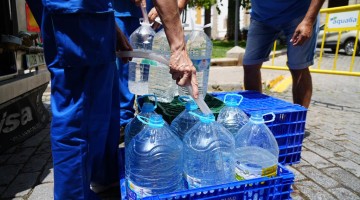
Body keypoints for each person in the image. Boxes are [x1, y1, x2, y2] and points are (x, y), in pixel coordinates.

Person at [25, 0, 197, 199]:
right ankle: (73, 195)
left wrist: (110, 27)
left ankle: (104, 177)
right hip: (76, 8)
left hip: (86, 9)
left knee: (104, 101)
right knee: (77, 107)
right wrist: (178, 48)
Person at [114, 0, 189, 129]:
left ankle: (150, 118)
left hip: (156, 15)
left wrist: (176, 5)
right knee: (122, 73)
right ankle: (123, 124)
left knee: (155, 73)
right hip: (119, 13)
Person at [243, 0, 325, 108]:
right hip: (261, 16)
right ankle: (255, 114)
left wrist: (308, 20)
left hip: (299, 14)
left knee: (298, 68)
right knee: (250, 65)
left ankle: (298, 120)